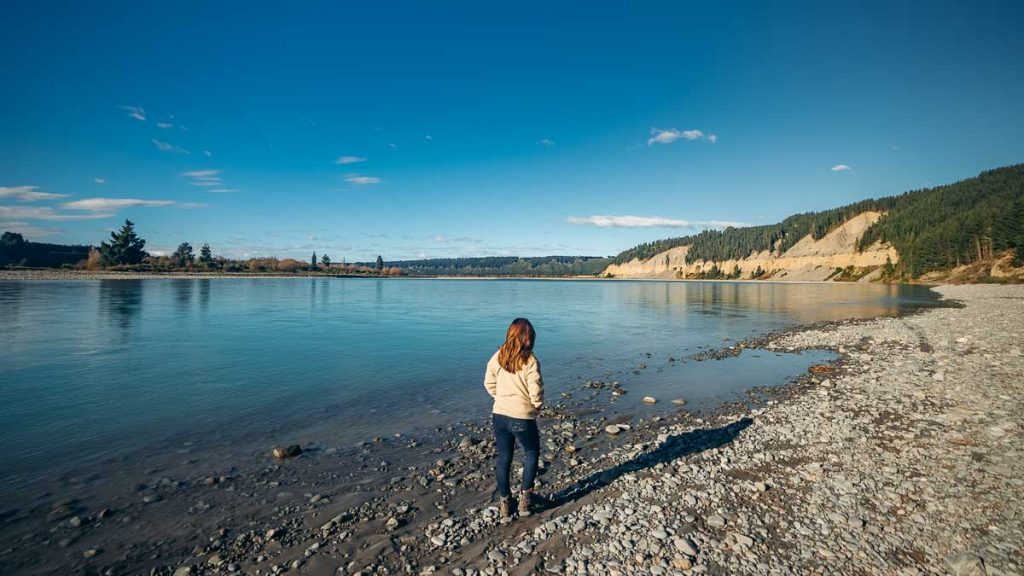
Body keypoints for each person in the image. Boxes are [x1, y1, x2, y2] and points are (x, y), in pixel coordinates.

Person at [484, 317, 544, 518]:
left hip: (499, 414)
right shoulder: (530, 360)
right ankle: (525, 501)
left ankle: (505, 504)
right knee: (531, 453)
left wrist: (500, 397)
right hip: (522, 417)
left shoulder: (498, 356)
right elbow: (536, 389)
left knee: (504, 458)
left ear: (510, 335)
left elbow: (488, 382)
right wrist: (535, 408)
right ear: (530, 338)